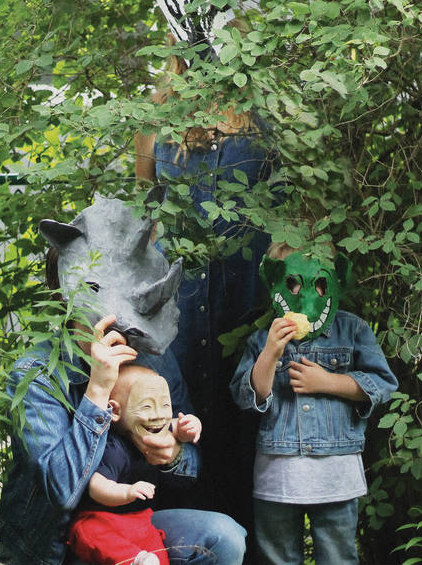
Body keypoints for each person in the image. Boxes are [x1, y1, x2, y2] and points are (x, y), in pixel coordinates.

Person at [0, 236, 247, 565]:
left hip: (133, 525)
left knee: (224, 537)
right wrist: (98, 390)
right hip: (54, 543)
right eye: (94, 291)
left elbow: (192, 464)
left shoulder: (152, 359)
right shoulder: (37, 373)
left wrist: (173, 454)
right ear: (64, 300)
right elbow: (61, 491)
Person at [135, 43, 277, 533]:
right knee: (181, 424)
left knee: (248, 429)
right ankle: (186, 546)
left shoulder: (267, 112)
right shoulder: (157, 115)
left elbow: (295, 212)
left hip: (247, 301)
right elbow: (147, 212)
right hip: (180, 308)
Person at [230, 242, 398, 565]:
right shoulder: (262, 338)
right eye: (292, 283)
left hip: (336, 478)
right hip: (277, 479)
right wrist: (271, 353)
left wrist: (328, 382)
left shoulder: (352, 329)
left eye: (319, 283)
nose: (306, 293)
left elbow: (382, 383)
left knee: (338, 558)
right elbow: (248, 396)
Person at [68, 365, 202, 565]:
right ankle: (133, 559)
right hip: (103, 518)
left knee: (157, 551)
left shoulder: (155, 427)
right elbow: (96, 487)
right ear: (115, 411)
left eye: (165, 405)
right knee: (90, 531)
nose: (159, 415)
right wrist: (127, 492)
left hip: (140, 519)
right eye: (146, 407)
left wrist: (188, 428)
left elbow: (175, 425)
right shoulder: (114, 449)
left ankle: (145, 560)